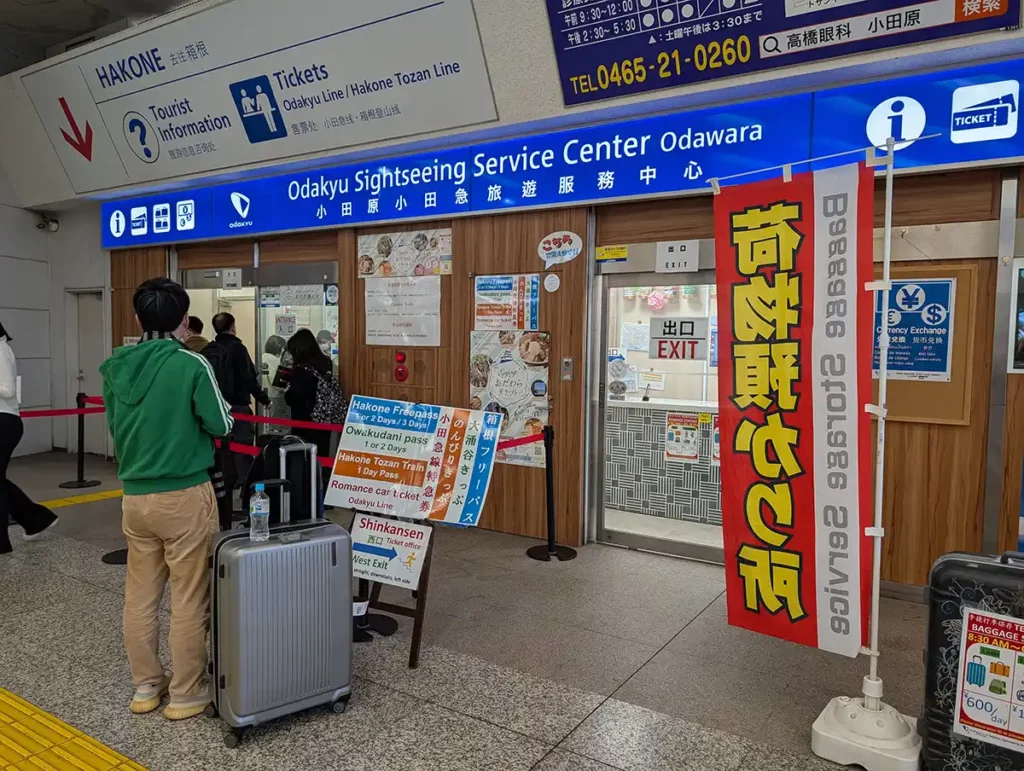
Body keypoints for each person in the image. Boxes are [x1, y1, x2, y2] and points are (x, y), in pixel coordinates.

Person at [100, 278, 233, 720]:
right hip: (184, 495)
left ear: (138, 319)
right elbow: (221, 424)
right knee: (189, 596)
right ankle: (185, 693)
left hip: (135, 497)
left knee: (139, 596)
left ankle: (145, 687)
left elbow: (116, 430)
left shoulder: (113, 367)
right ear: (182, 320)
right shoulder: (190, 365)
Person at [0, 321, 58, 555]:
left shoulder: (1, 349)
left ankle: (5, 540)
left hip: (4, 421)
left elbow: (8, 390)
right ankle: (35, 518)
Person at [202, 313, 268, 480]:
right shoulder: (239, 349)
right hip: (237, 407)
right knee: (242, 449)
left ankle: (223, 483)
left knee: (219, 449)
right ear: (232, 327)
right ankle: (245, 487)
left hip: (215, 408)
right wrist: (264, 399)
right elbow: (249, 379)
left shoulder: (208, 351)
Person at [284, 329, 343, 462]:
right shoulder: (325, 363)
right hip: (322, 421)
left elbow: (295, 399)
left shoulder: (301, 370)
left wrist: (287, 390)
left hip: (305, 424)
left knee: (304, 462)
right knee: (320, 458)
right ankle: (320, 481)